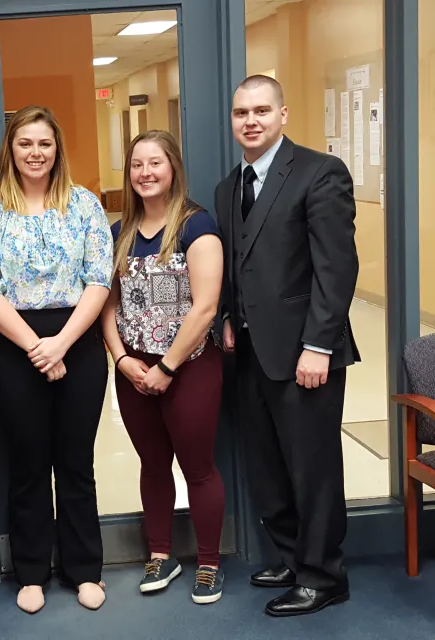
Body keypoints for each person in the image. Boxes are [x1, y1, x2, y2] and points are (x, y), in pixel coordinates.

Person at [215, 75, 359, 617]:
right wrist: (230, 316)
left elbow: (337, 267)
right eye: (240, 113)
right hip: (251, 352)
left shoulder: (321, 173)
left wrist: (319, 345)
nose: (249, 121)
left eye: (260, 110)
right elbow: (237, 265)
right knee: (269, 465)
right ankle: (296, 556)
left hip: (306, 352)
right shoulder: (230, 186)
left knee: (312, 467)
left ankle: (325, 576)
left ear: (283, 114)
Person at [0, 105, 112, 614]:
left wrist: (62, 344)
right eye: (25, 143)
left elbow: (99, 280)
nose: (35, 153)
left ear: (57, 149)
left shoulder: (86, 206)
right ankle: (31, 571)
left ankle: (84, 569)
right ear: (11, 149)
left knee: (76, 462)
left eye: (44, 143)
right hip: (14, 347)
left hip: (78, 342)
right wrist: (36, 346)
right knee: (27, 464)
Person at [101, 130, 226, 604]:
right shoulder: (119, 235)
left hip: (188, 368)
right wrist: (122, 358)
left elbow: (206, 308)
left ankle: (210, 563)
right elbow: (107, 304)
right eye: (137, 165)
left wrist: (167, 367)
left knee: (198, 468)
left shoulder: (197, 226)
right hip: (134, 370)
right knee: (152, 466)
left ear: (172, 167)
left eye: (155, 163)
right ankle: (161, 554)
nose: (145, 173)